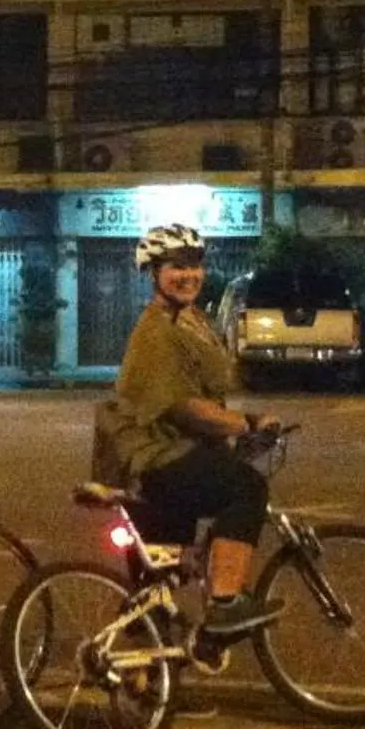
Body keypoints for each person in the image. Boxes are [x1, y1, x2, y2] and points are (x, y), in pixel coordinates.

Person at [107, 223, 284, 641]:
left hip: (178, 451)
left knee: (161, 581)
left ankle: (156, 668)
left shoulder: (189, 320)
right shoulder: (156, 333)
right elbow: (183, 407)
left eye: (194, 265)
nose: (188, 275)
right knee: (246, 488)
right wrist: (245, 423)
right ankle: (225, 603)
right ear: (154, 274)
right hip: (160, 457)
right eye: (176, 267)